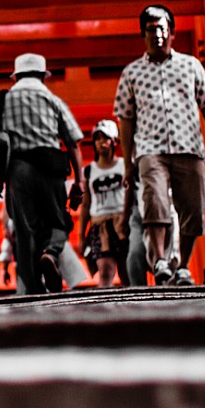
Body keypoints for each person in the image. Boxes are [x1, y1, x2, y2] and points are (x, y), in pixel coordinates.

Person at [112, 4, 205, 286]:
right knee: (155, 202)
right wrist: (128, 162)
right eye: (151, 30)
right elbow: (125, 119)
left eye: (162, 28)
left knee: (193, 209)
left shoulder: (190, 65)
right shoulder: (132, 73)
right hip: (150, 149)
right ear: (143, 35)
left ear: (171, 32)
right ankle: (161, 260)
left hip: (189, 146)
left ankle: (183, 266)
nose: (158, 34)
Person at [0, 51, 82, 294]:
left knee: (25, 231)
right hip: (51, 167)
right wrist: (80, 180)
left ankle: (34, 289)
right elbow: (74, 141)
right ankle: (51, 253)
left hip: (18, 170)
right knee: (58, 222)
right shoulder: (53, 100)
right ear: (42, 76)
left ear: (15, 77)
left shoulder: (3, 100)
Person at [74, 119, 130, 286]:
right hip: (99, 226)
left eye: (105, 138)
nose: (101, 143)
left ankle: (133, 308)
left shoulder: (124, 166)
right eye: (97, 139)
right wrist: (81, 236)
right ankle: (105, 308)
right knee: (105, 271)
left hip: (123, 223)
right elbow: (85, 205)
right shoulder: (90, 171)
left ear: (114, 141)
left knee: (127, 271)